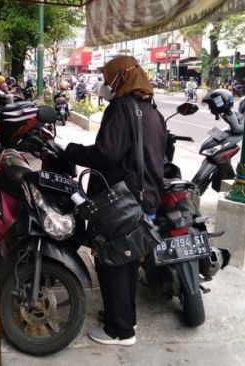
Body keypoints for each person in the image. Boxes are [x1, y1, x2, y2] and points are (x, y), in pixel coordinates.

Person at [63, 56, 167, 346]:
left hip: (121, 199)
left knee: (111, 262)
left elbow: (107, 153)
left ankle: (119, 331)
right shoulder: (151, 111)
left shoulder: (121, 108)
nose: (106, 84)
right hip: (144, 197)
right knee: (128, 260)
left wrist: (71, 151)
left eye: (109, 78)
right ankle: (123, 317)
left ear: (122, 78)